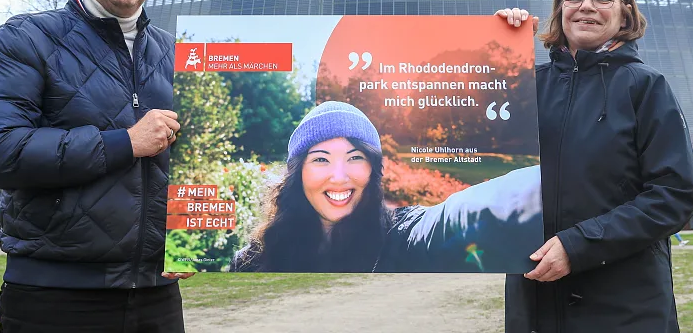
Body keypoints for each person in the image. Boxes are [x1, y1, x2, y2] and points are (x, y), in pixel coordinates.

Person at [0, 0, 190, 333]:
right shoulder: (26, 39)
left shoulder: (181, 55)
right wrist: (125, 142)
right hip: (53, 295)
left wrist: (194, 243)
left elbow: (198, 164)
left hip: (157, 295)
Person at [496, 0, 693, 333]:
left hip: (624, 307)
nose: (586, 6)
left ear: (624, 13)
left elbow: (673, 195)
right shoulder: (524, 85)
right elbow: (473, 155)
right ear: (560, 11)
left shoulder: (646, 87)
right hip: (534, 304)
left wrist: (578, 246)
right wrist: (498, 53)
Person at [230, 101, 543, 273]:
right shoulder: (253, 261)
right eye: (321, 160)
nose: (339, 177)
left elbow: (464, 217)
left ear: (373, 170)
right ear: (298, 173)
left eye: (355, 157)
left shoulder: (402, 238)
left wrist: (539, 193)